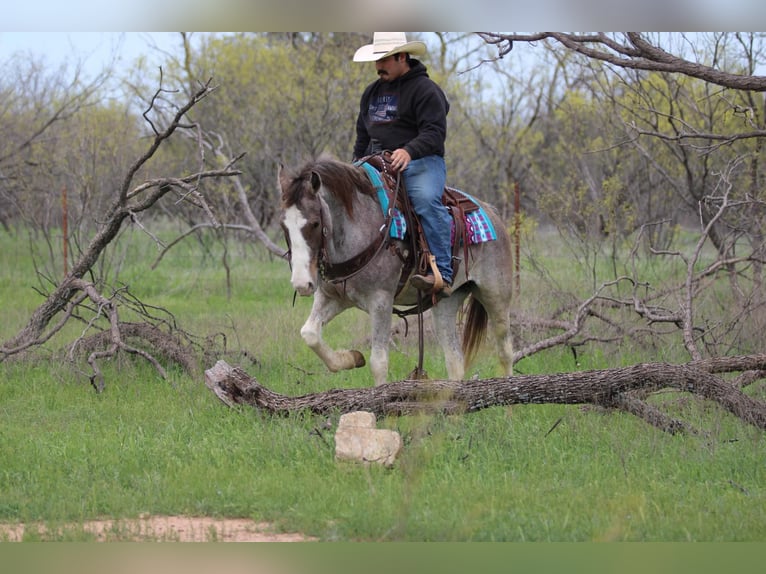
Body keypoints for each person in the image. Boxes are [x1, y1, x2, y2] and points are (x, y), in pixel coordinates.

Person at [352, 32, 453, 296]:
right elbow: (362, 136)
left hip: (421, 161)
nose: (378, 66)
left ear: (402, 57)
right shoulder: (371, 93)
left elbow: (434, 132)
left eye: (384, 60)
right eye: (377, 60)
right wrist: (353, 167)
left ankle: (442, 272)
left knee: (426, 201)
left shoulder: (426, 90)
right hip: (375, 162)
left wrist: (409, 151)